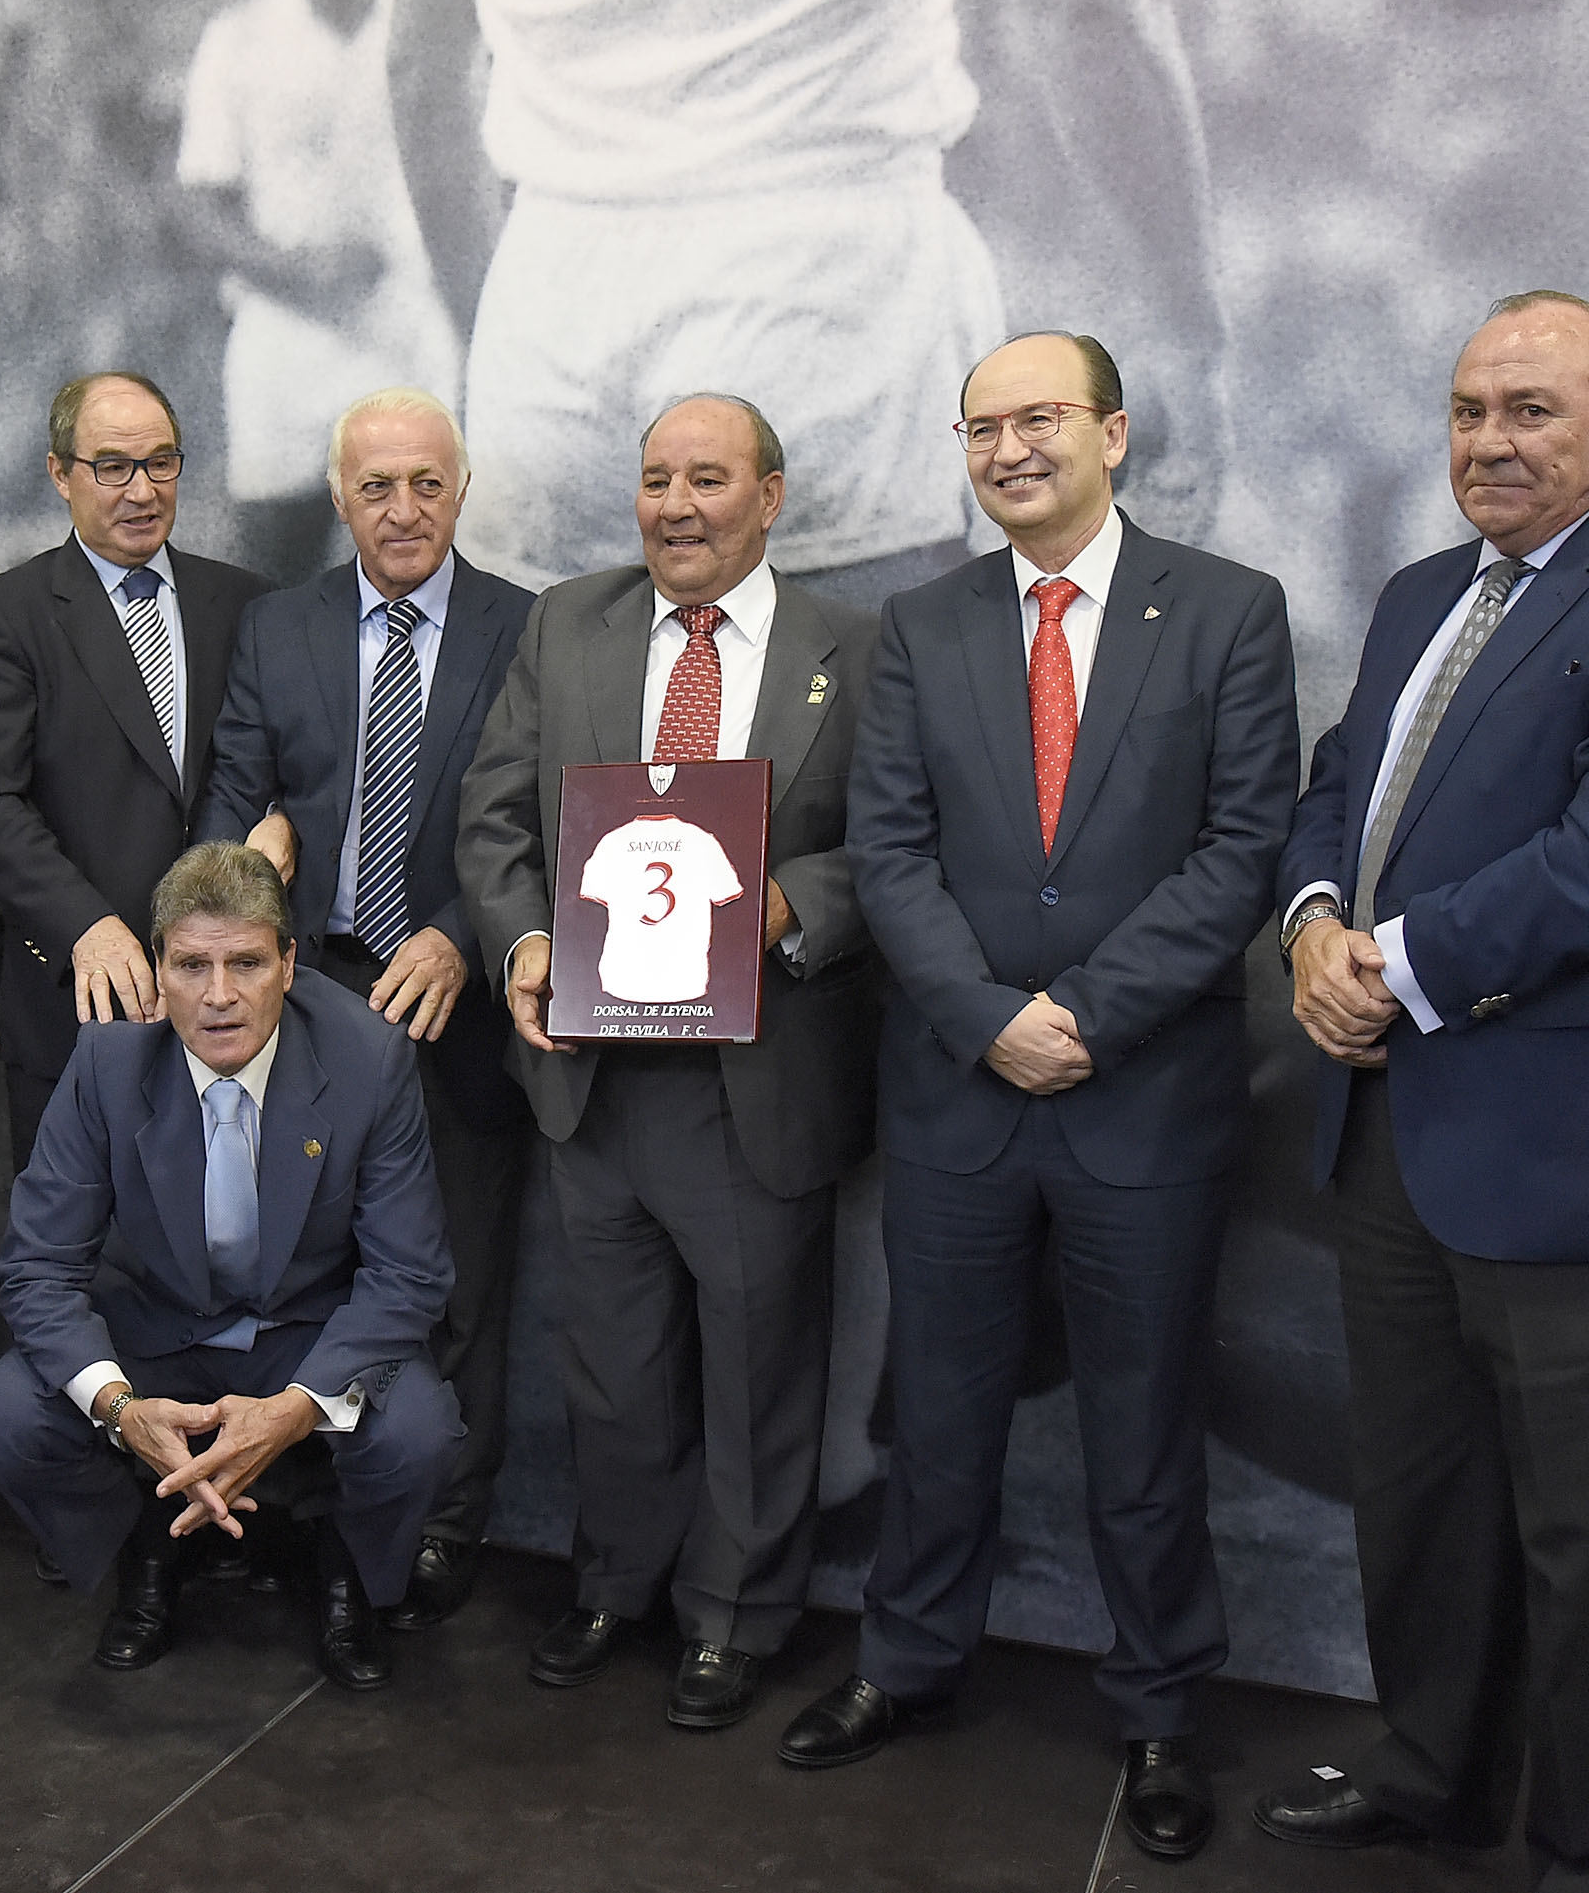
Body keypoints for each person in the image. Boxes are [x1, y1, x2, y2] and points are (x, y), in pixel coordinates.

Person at [1256, 292, 1589, 1890]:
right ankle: (1433, 1770)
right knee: (1421, 1506)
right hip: (1395, 1150)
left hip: (1585, 1161)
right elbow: (1337, 790)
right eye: (1469, 410)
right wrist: (1306, 928)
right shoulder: (1427, 590)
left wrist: (1390, 965)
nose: (1490, 440)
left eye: (1533, 411)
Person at [802, 332, 1299, 1858]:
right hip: (958, 1090)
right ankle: (907, 1660)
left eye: (1041, 419)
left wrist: (1081, 1014)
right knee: (939, 1409)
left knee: (1140, 1428)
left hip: (1141, 1092)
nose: (1010, 449)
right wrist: (986, 1020)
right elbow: (885, 851)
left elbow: (1240, 844)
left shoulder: (1227, 610)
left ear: (1114, 433)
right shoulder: (918, 625)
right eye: (982, 428)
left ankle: (1156, 1708)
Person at [386, 0, 1229, 604]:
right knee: (862, 773)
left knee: (588, 783)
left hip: (551, 319)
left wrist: (480, 337)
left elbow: (422, 64)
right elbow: (1084, 2)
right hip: (827, 300)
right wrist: (1187, 331)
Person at [455, 394, 880, 1729]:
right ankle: (614, 1581)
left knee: (759, 1358)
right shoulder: (566, 621)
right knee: (613, 1358)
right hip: (591, 1072)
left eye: (708, 478)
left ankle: (737, 1614)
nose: (678, 506)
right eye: (656, 480)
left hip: (753, 1077)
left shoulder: (852, 649)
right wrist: (524, 946)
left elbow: (894, 844)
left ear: (772, 494)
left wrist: (788, 903)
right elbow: (493, 815)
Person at [0, 842, 462, 1689]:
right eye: (191, 965)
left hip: (303, 1337)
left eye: (246, 963)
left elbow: (407, 1274)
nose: (219, 995)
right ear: (157, 972)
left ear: (290, 963)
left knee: (419, 1428)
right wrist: (120, 1410)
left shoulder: (368, 1059)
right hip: (158, 1332)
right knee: (4, 1412)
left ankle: (344, 1567)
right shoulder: (108, 1063)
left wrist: (297, 1408)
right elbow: (37, 1266)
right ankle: (149, 1545)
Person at [196, 387, 533, 1628]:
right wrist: (249, 860)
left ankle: (444, 1519)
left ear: (460, 488)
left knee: (455, 1282)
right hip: (310, 1001)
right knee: (295, 1270)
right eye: (376, 487)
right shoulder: (281, 627)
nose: (403, 509)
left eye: (426, 484)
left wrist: (459, 930)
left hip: (457, 1003)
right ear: (339, 497)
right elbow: (236, 790)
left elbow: (541, 819)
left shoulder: (526, 627)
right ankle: (296, 1508)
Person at [0, 373, 268, 1177]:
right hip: (77, 1002)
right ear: (61, 474)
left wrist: (284, 819)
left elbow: (283, 756)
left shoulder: (245, 603)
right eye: (113, 466)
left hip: (227, 1003)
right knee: (73, 1259)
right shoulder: (4, 614)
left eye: (161, 463)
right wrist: (84, 927)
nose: (142, 490)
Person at [173, 0, 461, 583]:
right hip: (286, 342)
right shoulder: (241, 39)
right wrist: (296, 269)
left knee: (420, 572)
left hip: (405, 329)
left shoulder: (416, 21)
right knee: (273, 579)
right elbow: (196, 207)